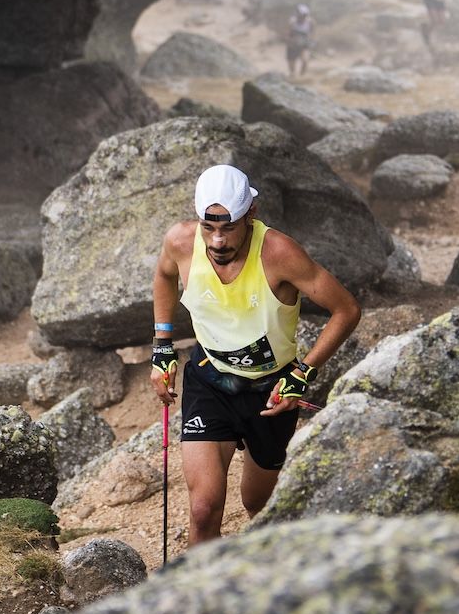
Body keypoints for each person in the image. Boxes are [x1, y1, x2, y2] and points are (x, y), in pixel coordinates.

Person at [149, 164, 362, 549]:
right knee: (203, 509)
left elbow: (346, 309)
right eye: (208, 227)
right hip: (209, 381)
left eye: (228, 227)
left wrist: (302, 374)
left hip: (271, 396)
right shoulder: (180, 241)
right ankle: (202, 600)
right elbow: (164, 276)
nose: (216, 241)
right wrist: (162, 348)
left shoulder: (279, 253)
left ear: (251, 214)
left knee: (258, 505)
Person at [285, 3, 315, 75]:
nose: (303, 17)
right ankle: (292, 74)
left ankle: (302, 75)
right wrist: (292, 41)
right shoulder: (292, 22)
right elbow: (287, 35)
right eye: (302, 15)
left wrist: (310, 42)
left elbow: (312, 33)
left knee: (305, 60)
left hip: (304, 44)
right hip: (293, 45)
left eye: (305, 15)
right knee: (291, 62)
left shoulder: (310, 22)